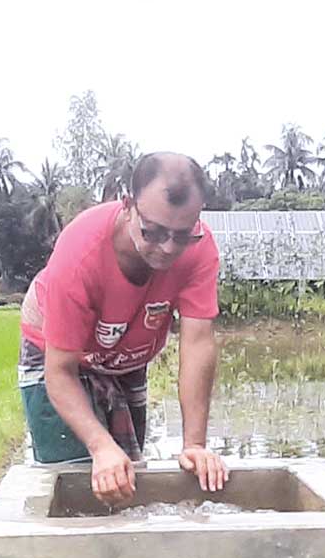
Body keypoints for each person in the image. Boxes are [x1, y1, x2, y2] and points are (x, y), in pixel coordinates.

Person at [18, 152, 228, 505]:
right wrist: (100, 446)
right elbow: (60, 372)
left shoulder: (199, 248)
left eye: (182, 235)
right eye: (154, 232)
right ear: (128, 205)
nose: (167, 248)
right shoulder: (79, 252)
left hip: (126, 356)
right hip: (58, 353)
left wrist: (194, 445)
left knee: (125, 481)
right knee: (79, 482)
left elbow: (197, 345)